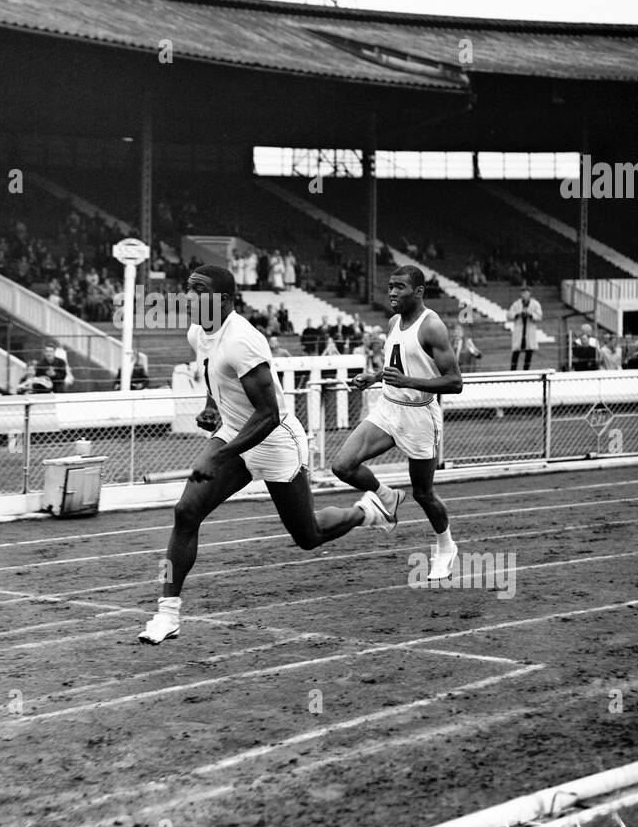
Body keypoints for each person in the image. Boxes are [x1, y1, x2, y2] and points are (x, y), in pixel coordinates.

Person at [138, 264, 392, 645]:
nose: (187, 297)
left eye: (197, 291)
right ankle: (167, 614)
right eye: (186, 289)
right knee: (186, 511)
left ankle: (367, 511)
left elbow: (269, 414)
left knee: (308, 535)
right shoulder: (197, 332)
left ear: (222, 301)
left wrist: (218, 457)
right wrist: (212, 405)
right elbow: (213, 370)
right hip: (234, 433)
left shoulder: (243, 339)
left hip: (275, 441)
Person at [330, 265, 464, 584]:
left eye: (399, 287)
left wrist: (409, 381)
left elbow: (455, 382)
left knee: (423, 493)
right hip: (388, 407)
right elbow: (395, 366)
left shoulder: (433, 327)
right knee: (342, 466)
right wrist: (373, 377)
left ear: (418, 291)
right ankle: (387, 497)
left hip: (419, 416)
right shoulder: (393, 321)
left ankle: (446, 547)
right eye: (390, 286)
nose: (392, 292)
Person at [507, 286, 542, 370]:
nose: (524, 295)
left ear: (529, 293)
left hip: (529, 329)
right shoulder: (516, 304)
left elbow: (539, 316)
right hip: (519, 330)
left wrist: (530, 315)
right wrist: (518, 314)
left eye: (526, 293)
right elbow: (509, 315)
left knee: (529, 352)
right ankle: (513, 371)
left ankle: (526, 371)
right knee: (516, 352)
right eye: (522, 293)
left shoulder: (535, 304)